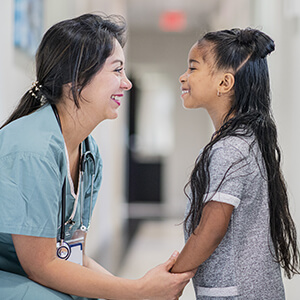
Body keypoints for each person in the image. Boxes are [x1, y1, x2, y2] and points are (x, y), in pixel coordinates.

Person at [0, 13, 193, 300]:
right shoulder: (32, 150)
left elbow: (73, 255)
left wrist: (140, 290)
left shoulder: (88, 154)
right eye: (117, 71)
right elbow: (41, 266)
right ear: (77, 78)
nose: (127, 84)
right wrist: (137, 291)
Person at [170, 28, 300, 299]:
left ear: (225, 83)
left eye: (193, 68)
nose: (183, 77)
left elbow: (212, 228)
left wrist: (172, 277)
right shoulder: (248, 140)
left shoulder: (229, 149)